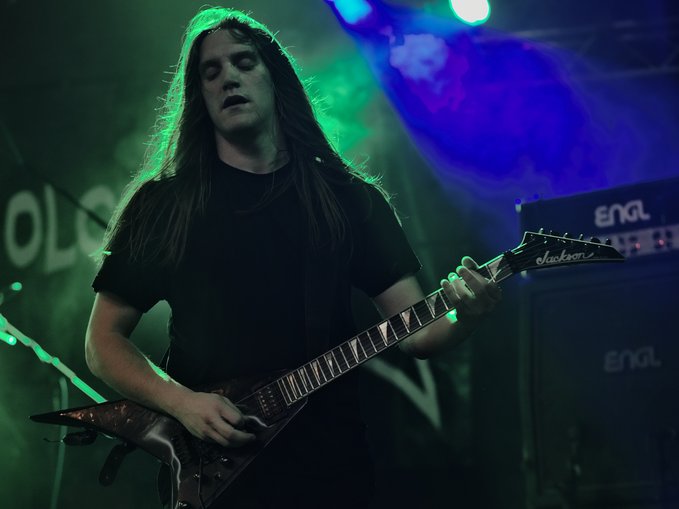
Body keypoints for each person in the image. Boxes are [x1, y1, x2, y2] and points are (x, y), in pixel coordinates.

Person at [85, 7, 501, 509]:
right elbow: (102, 342)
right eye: (211, 72)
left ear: (274, 78)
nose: (228, 78)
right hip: (216, 474)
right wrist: (184, 403)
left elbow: (419, 333)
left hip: (330, 467)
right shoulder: (166, 206)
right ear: (199, 97)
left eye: (244, 62)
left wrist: (466, 315)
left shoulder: (348, 198)